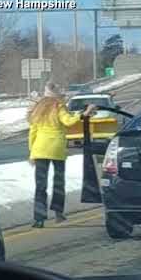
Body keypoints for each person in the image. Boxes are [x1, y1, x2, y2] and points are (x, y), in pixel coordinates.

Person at [27, 82, 96, 228]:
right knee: (58, 182)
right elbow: (68, 121)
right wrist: (82, 114)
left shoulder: (37, 109)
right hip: (56, 148)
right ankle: (58, 213)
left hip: (39, 149)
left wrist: (32, 153)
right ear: (57, 94)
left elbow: (32, 133)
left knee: (40, 185)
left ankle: (39, 219)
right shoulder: (58, 106)